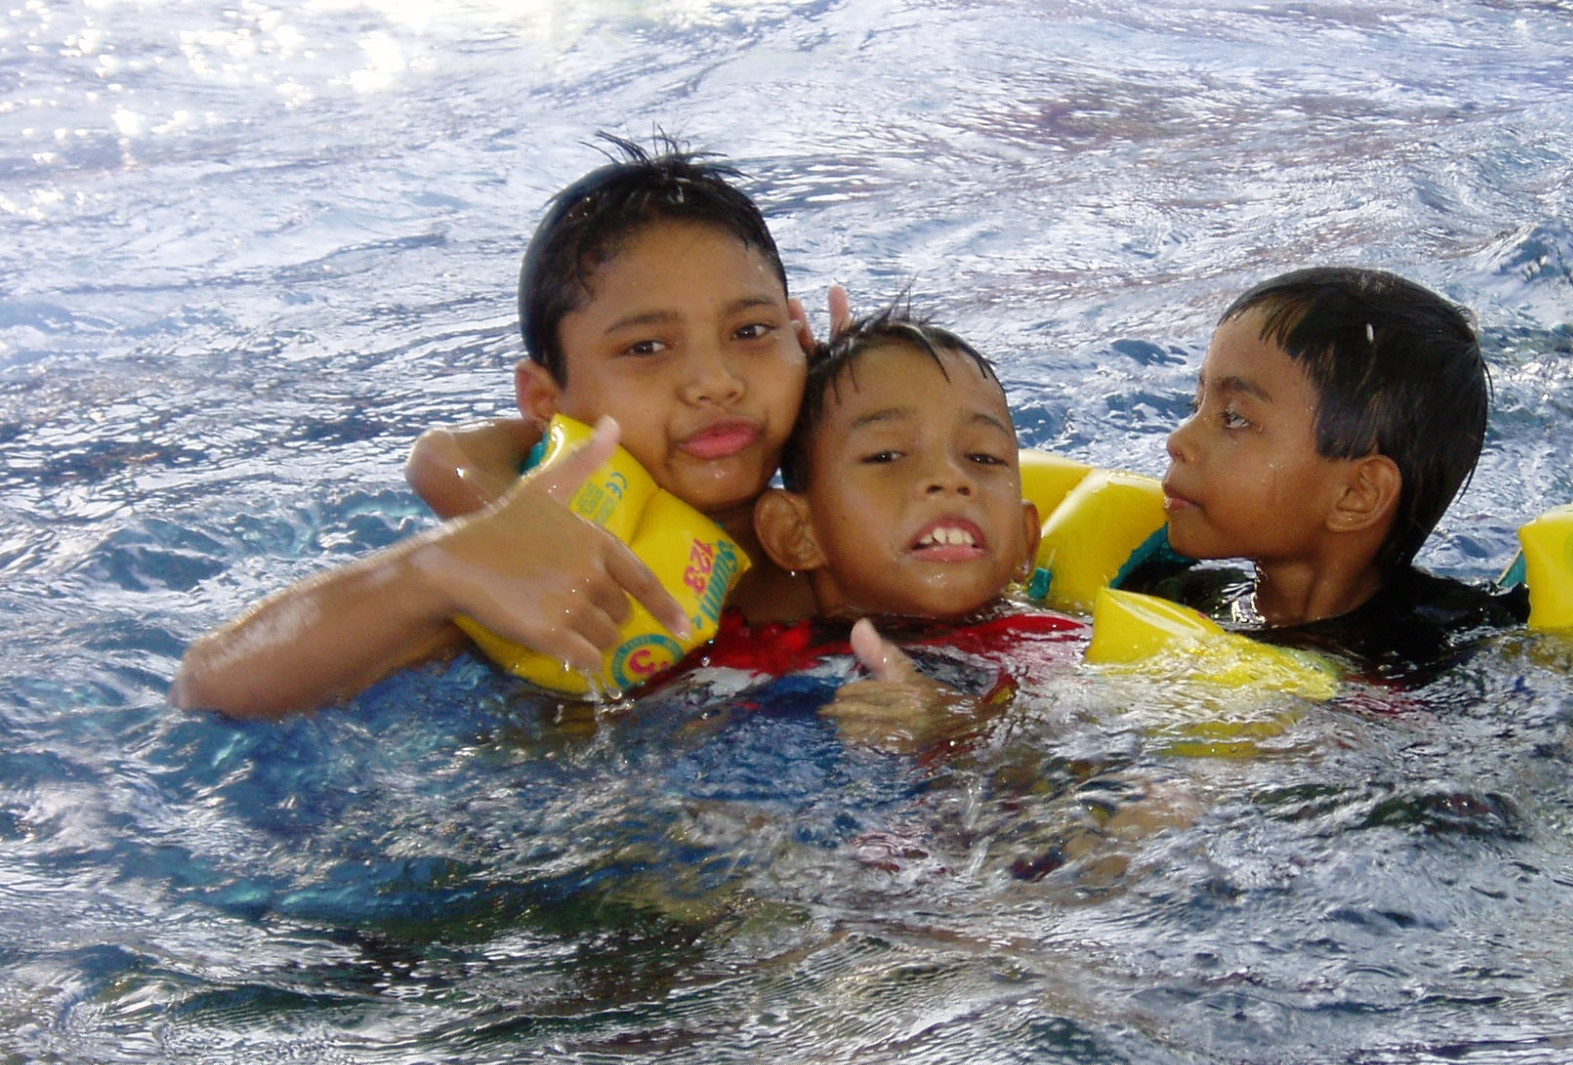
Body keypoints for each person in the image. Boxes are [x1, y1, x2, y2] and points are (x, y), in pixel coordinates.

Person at [173, 139, 817, 719]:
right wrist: (438, 568)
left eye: (752, 332)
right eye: (646, 348)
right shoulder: (533, 569)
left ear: (803, 342)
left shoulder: (860, 514)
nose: (715, 380)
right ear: (545, 398)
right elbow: (209, 686)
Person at [690, 309, 1086, 748]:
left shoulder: (1055, 648)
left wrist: (960, 727)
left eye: (983, 457)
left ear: (1025, 542)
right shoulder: (738, 654)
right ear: (796, 533)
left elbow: (1091, 762)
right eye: (887, 456)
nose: (950, 478)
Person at [1131, 267, 1523, 683]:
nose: (1177, 440)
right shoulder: (1184, 595)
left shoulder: (1452, 650)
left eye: (1235, 418)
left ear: (1356, 494)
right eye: (1197, 404)